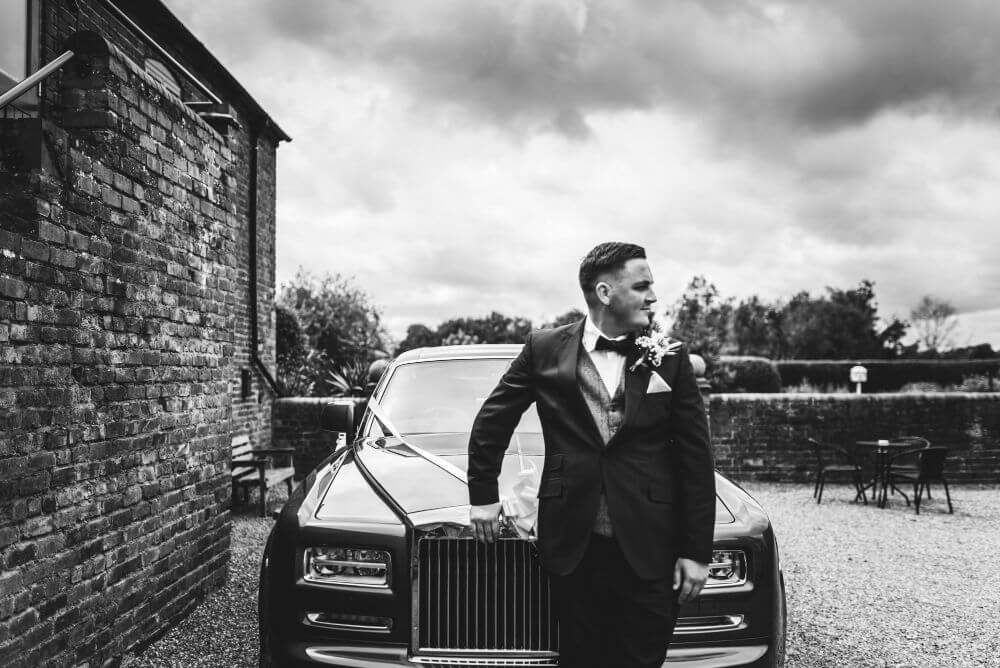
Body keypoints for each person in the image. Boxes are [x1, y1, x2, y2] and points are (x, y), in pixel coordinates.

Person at [467, 242, 716, 668]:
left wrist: (697, 552)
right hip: (573, 543)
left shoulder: (670, 358)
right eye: (642, 286)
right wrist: (483, 495)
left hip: (651, 544)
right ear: (604, 292)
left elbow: (696, 458)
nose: (653, 297)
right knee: (581, 657)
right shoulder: (544, 349)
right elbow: (493, 418)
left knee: (642, 658)